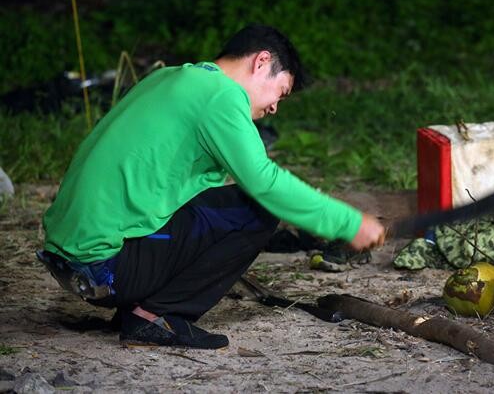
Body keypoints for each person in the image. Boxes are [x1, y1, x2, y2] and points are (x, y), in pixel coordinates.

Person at [39, 24, 386, 350]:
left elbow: (187, 189)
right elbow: (265, 182)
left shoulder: (169, 77)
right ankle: (154, 317)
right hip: (104, 267)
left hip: (67, 258)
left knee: (225, 205)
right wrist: (349, 223)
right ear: (261, 62)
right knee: (258, 210)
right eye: (280, 91)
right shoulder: (220, 96)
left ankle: (138, 306)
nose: (275, 107)